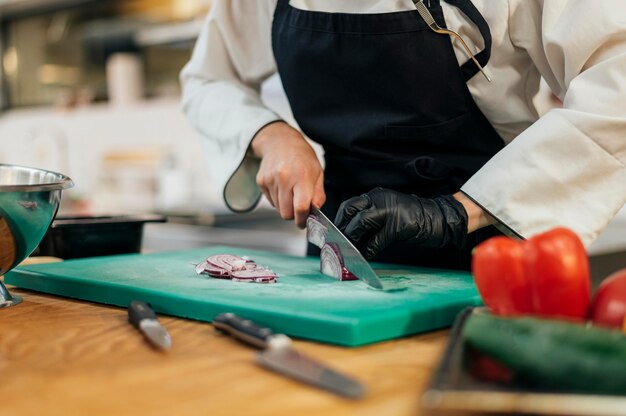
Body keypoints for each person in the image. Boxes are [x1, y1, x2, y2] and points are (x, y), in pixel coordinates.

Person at [181, 0, 626, 270]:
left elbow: (617, 89)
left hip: (495, 247)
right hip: (340, 253)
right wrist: (272, 134)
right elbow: (209, 78)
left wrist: (453, 214)